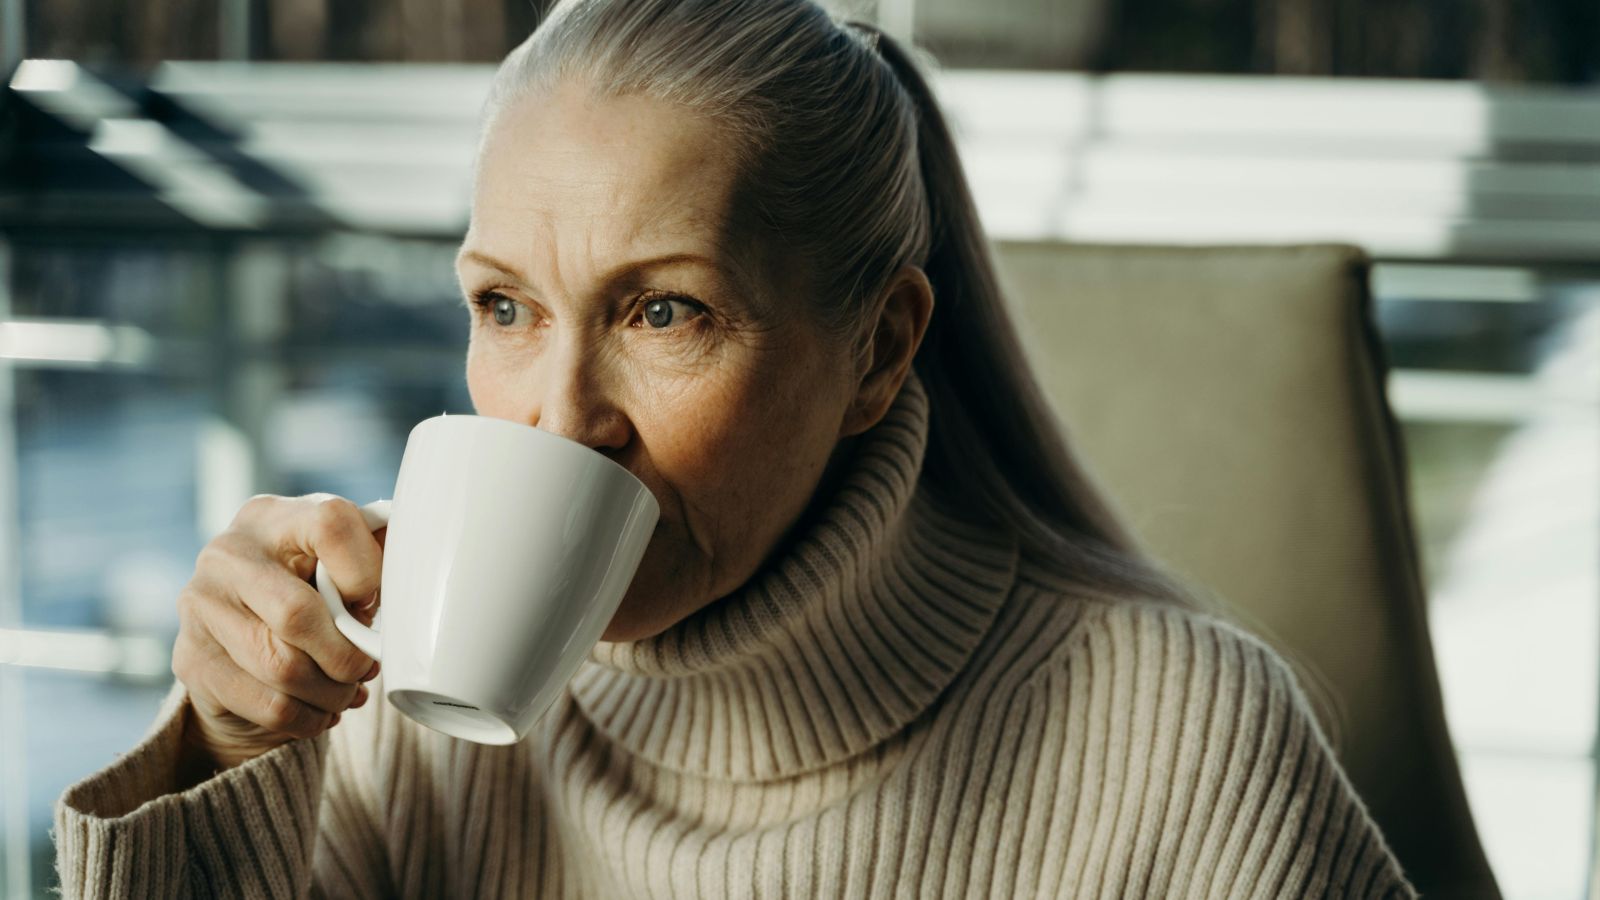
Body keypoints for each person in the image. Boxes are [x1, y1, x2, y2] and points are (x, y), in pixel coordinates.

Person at [53, 0, 1416, 896]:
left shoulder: (1180, 738)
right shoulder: (399, 711)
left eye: (665, 311)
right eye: (504, 308)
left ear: (880, 351)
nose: (559, 417)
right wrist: (224, 758)